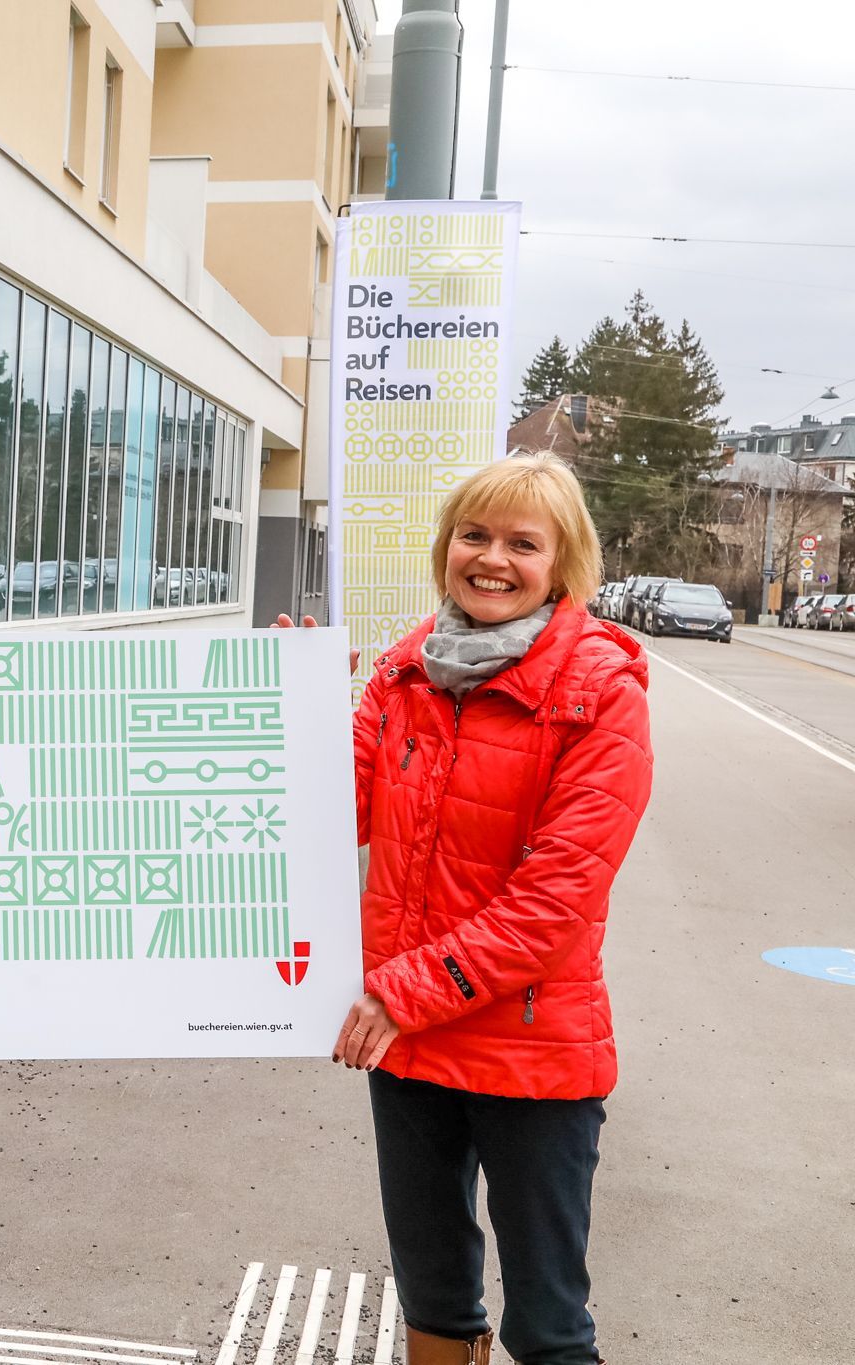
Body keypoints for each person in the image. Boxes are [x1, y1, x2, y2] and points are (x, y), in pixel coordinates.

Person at [283, 453, 651, 1365]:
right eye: (474, 535)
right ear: (446, 547)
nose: (492, 557)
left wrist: (401, 990)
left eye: (523, 542)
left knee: (548, 1324)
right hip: (408, 1044)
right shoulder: (403, 675)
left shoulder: (602, 693)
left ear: (561, 565)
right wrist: (284, 704)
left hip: (530, 1050)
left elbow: (555, 901)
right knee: (435, 1296)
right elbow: (331, 819)